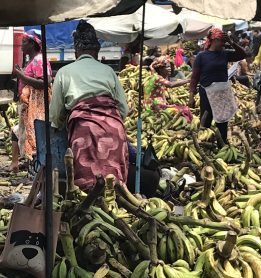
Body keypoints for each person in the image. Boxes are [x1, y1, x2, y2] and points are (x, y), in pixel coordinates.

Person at [49, 20, 129, 192]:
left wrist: (58, 125)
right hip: (114, 129)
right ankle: (116, 212)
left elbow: (55, 113)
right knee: (113, 183)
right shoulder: (108, 71)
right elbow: (123, 108)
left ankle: (88, 212)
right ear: (97, 50)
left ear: (76, 50)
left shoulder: (64, 72)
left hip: (84, 129)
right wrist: (108, 119)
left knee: (86, 181)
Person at [189, 28, 246, 143]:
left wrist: (231, 42)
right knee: (206, 119)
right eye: (222, 40)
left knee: (222, 120)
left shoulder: (224, 54)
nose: (224, 43)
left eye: (225, 41)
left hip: (222, 93)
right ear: (214, 40)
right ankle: (206, 143)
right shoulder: (201, 56)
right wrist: (191, 94)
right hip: (206, 92)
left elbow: (242, 54)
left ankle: (222, 143)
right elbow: (195, 77)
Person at [9, 30, 52, 173]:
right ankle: (30, 167)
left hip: (38, 105)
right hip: (29, 105)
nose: (21, 45)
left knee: (34, 134)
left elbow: (44, 82)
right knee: (22, 132)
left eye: (24, 42)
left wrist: (21, 75)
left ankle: (37, 170)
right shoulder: (33, 61)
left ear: (33, 44)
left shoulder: (40, 59)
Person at [144, 55, 192, 121]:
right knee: (184, 110)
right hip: (155, 106)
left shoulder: (156, 76)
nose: (170, 69)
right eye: (167, 67)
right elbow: (170, 84)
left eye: (170, 66)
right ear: (160, 69)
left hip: (156, 104)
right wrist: (188, 80)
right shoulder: (157, 77)